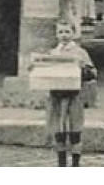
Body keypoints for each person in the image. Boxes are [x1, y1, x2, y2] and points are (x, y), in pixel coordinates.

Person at [38, 19, 97, 167]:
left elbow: (92, 73)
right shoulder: (52, 53)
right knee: (59, 129)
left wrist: (82, 69)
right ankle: (61, 163)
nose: (64, 35)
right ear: (56, 34)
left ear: (73, 33)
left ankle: (75, 164)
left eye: (67, 32)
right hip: (56, 96)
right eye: (60, 32)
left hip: (73, 95)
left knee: (75, 129)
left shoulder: (80, 52)